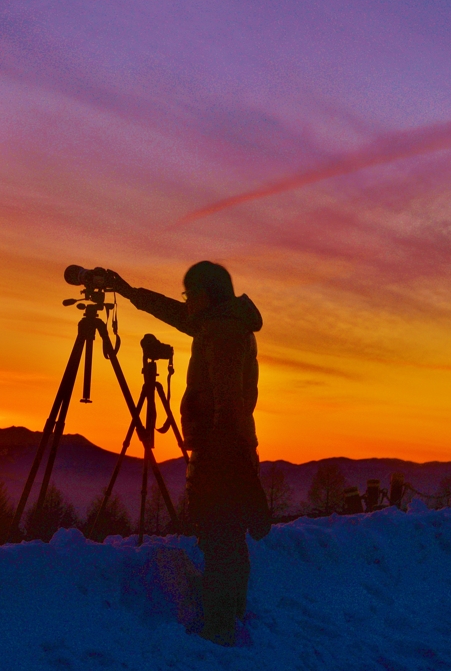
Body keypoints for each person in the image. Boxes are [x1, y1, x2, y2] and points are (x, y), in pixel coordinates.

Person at [108, 261, 270, 646]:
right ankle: (231, 616)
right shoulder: (217, 323)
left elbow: (229, 403)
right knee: (226, 538)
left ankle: (221, 630)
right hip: (226, 448)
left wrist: (216, 456)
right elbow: (177, 314)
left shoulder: (226, 332)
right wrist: (131, 292)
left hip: (223, 451)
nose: (185, 302)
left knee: (220, 539)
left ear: (205, 295)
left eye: (189, 294)